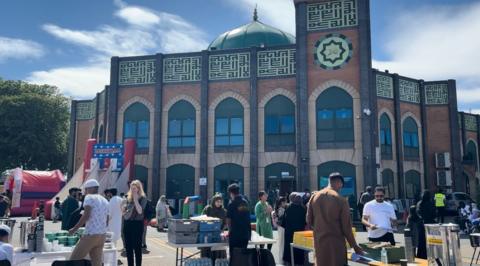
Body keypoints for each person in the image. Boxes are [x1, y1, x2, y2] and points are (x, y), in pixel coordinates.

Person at [307, 173, 363, 266]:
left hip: (319, 244)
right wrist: (355, 247)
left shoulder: (314, 197)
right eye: (341, 185)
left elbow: (309, 220)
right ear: (339, 183)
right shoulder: (341, 200)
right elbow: (346, 228)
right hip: (336, 244)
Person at [69, 179, 109, 266]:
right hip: (102, 235)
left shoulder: (89, 197)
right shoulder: (105, 200)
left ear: (90, 189)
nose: (85, 192)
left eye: (86, 190)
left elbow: (86, 215)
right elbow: (107, 220)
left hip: (90, 234)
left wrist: (74, 229)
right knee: (96, 262)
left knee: (73, 260)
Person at [122, 180, 148, 266]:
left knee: (137, 248)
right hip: (127, 224)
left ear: (138, 188)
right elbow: (123, 212)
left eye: (134, 188)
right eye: (131, 188)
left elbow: (140, 211)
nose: (132, 190)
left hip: (137, 225)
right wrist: (123, 207)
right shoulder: (127, 198)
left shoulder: (143, 198)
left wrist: (136, 199)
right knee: (128, 248)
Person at [226, 183, 251, 262]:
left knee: (234, 256)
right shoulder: (245, 202)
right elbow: (248, 218)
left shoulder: (231, 204)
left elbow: (228, 220)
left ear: (231, 193)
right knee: (243, 256)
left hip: (235, 235)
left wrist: (229, 231)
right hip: (245, 234)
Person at [200, 194, 227, 262]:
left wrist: (222, 229)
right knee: (207, 253)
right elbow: (202, 219)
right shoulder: (208, 209)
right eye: (217, 201)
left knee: (219, 253)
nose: (219, 203)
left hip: (219, 233)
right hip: (207, 233)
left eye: (220, 202)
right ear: (213, 201)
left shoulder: (223, 211)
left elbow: (226, 222)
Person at [282, 192, 306, 265]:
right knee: (299, 249)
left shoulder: (288, 208)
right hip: (300, 233)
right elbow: (305, 222)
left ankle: (288, 263)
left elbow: (283, 222)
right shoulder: (303, 209)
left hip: (289, 233)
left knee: (289, 250)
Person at [416, 190, 436, 259]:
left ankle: (420, 255)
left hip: (421, 224)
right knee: (430, 241)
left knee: (421, 241)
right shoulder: (430, 203)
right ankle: (430, 255)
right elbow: (434, 214)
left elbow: (418, 213)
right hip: (430, 224)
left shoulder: (419, 203)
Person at [272, 197, 287, 261]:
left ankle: (281, 259)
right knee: (282, 244)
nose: (286, 203)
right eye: (285, 202)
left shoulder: (276, 210)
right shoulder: (282, 210)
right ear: (282, 203)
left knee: (281, 244)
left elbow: (275, 223)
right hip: (283, 227)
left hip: (279, 228)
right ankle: (281, 260)